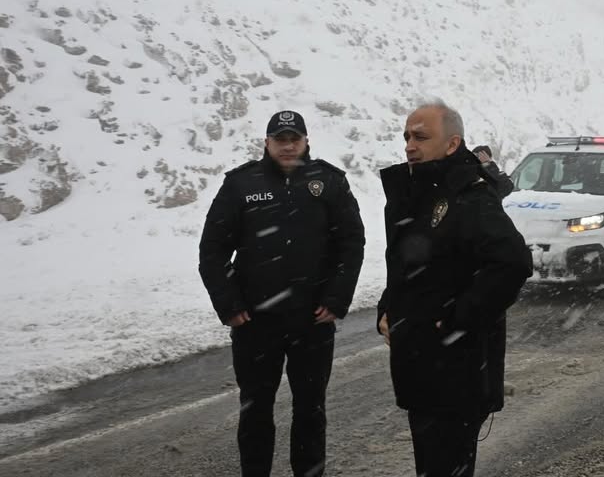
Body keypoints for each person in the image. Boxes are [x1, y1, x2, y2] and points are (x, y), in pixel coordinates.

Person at [199, 110, 365, 477]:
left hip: (313, 321)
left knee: (310, 410)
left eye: (295, 138)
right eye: (280, 139)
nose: (288, 146)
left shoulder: (328, 181)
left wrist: (337, 299)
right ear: (267, 142)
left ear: (306, 141)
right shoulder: (241, 184)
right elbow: (211, 251)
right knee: (255, 409)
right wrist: (230, 306)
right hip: (256, 323)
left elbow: (351, 245)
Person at [377, 100, 532, 477]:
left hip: (457, 371)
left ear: (452, 144)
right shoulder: (416, 192)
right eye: (407, 137)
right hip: (421, 365)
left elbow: (512, 263)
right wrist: (388, 306)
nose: (410, 145)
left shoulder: (470, 196)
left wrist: (455, 320)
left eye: (421, 136)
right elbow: (407, 264)